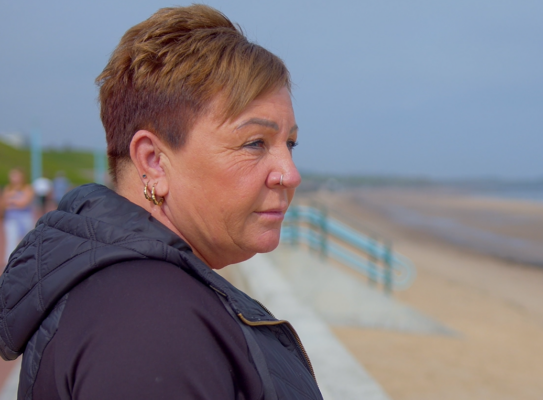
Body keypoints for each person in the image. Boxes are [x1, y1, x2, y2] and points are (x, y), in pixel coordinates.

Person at [0, 5, 322, 400]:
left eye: (289, 143)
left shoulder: (127, 292)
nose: (289, 174)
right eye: (255, 143)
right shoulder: (148, 322)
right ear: (153, 161)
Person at [2, 168, 34, 266]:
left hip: (24, 218)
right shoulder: (8, 188)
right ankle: (10, 263)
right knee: (11, 240)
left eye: (15, 176)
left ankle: (27, 260)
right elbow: (3, 203)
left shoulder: (27, 188)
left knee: (27, 239)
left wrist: (11, 200)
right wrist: (14, 199)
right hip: (11, 218)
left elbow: (24, 203)